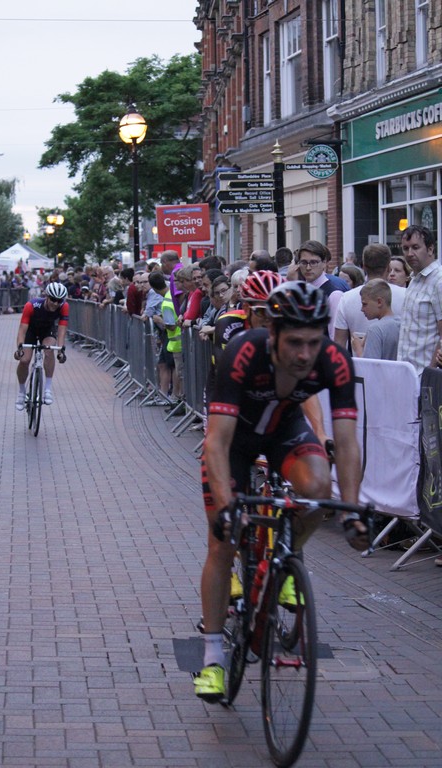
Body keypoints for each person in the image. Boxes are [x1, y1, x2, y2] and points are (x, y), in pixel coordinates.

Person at [194, 281, 363, 702]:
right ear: (273, 334)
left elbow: (346, 443)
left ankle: (284, 554)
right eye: (294, 343)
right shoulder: (243, 352)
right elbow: (216, 442)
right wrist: (228, 507)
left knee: (317, 489)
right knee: (222, 543)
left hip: (284, 431)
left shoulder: (334, 360)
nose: (305, 354)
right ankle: (213, 658)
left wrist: (352, 510)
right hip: (234, 442)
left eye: (313, 342)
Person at [334, 243, 406, 351]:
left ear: (363, 267)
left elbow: (339, 344)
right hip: (396, 361)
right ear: (388, 267)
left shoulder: (346, 298)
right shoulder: (406, 296)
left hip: (359, 360)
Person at [13, 282, 68, 410]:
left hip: (47, 330)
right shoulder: (31, 305)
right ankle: (21, 392)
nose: (56, 303)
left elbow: (62, 330)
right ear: (47, 297)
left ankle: (47, 389)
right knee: (24, 360)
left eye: (59, 300)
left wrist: (61, 350)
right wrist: (20, 348)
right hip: (31, 330)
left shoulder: (64, 306)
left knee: (49, 351)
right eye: (53, 299)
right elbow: (22, 330)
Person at [397, 225, 442, 374]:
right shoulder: (414, 280)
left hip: (425, 376)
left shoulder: (439, 281)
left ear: (430, 249)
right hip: (407, 373)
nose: (410, 253)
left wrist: (430, 373)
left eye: (415, 247)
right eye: (405, 248)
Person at [287, 240, 347, 339]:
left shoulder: (334, 294)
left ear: (324, 263)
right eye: (304, 262)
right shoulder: (300, 291)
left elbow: (335, 337)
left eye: (313, 262)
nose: (308, 267)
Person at [351, 279, 401, 360]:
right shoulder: (401, 324)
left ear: (379, 302)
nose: (362, 309)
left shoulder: (375, 330)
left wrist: (358, 349)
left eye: (365, 304)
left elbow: (370, 365)